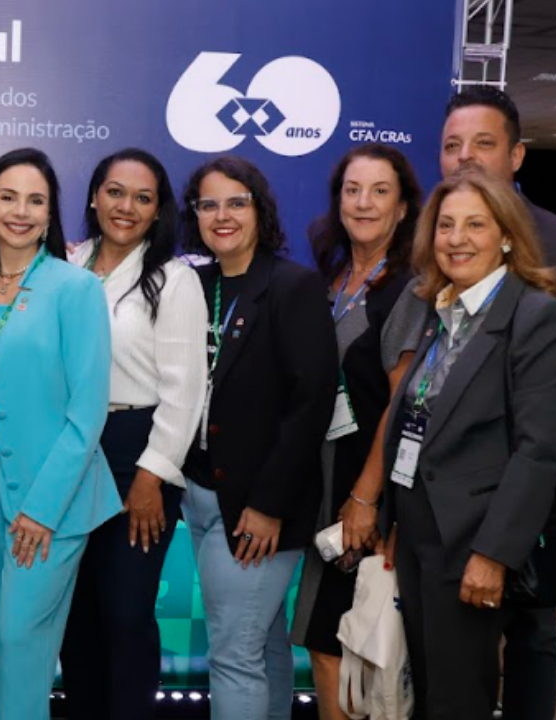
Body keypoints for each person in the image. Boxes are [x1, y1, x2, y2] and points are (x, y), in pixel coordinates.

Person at [380, 168, 556, 720]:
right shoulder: (443, 311)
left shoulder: (536, 317)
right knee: (432, 690)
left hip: (473, 541)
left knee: (458, 699)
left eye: (475, 225)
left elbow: (540, 452)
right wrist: (397, 517)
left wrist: (493, 555)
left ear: (507, 235)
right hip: (421, 535)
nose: (456, 239)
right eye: (445, 225)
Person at [0, 147, 122, 720]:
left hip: (49, 498)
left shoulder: (75, 289)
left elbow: (87, 413)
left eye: (35, 201)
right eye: (8, 198)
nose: (21, 211)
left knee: (20, 639)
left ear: (49, 214)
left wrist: (43, 509)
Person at [439, 86, 556, 720]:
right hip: (443, 484)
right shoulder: (432, 234)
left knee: (532, 629)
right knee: (447, 642)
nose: (465, 157)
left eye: (483, 143)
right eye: (452, 145)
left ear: (517, 155)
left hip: (530, 475)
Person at [178, 156, 338, 720]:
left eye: (236, 203)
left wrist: (269, 505)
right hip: (200, 493)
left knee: (234, 654)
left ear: (259, 210)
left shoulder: (293, 286)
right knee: (262, 640)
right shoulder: (194, 285)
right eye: (209, 205)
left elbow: (310, 403)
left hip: (258, 506)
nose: (222, 216)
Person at [58, 148, 207, 720]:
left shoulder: (173, 279)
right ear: (94, 196)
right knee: (75, 615)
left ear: (158, 211)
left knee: (125, 614)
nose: (126, 207)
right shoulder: (64, 265)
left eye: (143, 198)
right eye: (115, 192)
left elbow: (185, 391)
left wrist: (152, 477)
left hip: (135, 452)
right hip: (69, 450)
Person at [288, 144, 423, 720]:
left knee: (349, 647)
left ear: (403, 207)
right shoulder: (333, 278)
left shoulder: (409, 289)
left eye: (379, 191)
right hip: (323, 487)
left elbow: (402, 404)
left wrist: (366, 499)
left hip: (366, 494)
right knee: (329, 645)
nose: (363, 203)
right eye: (352, 190)